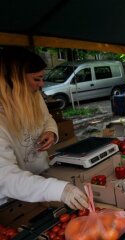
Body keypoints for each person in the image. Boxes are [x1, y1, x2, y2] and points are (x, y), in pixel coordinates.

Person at [0, 46, 88, 210]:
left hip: (41, 174)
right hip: (11, 201)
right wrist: (59, 190)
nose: (41, 85)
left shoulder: (33, 96)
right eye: (37, 79)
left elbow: (47, 118)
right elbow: (4, 176)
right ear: (15, 79)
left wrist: (50, 131)